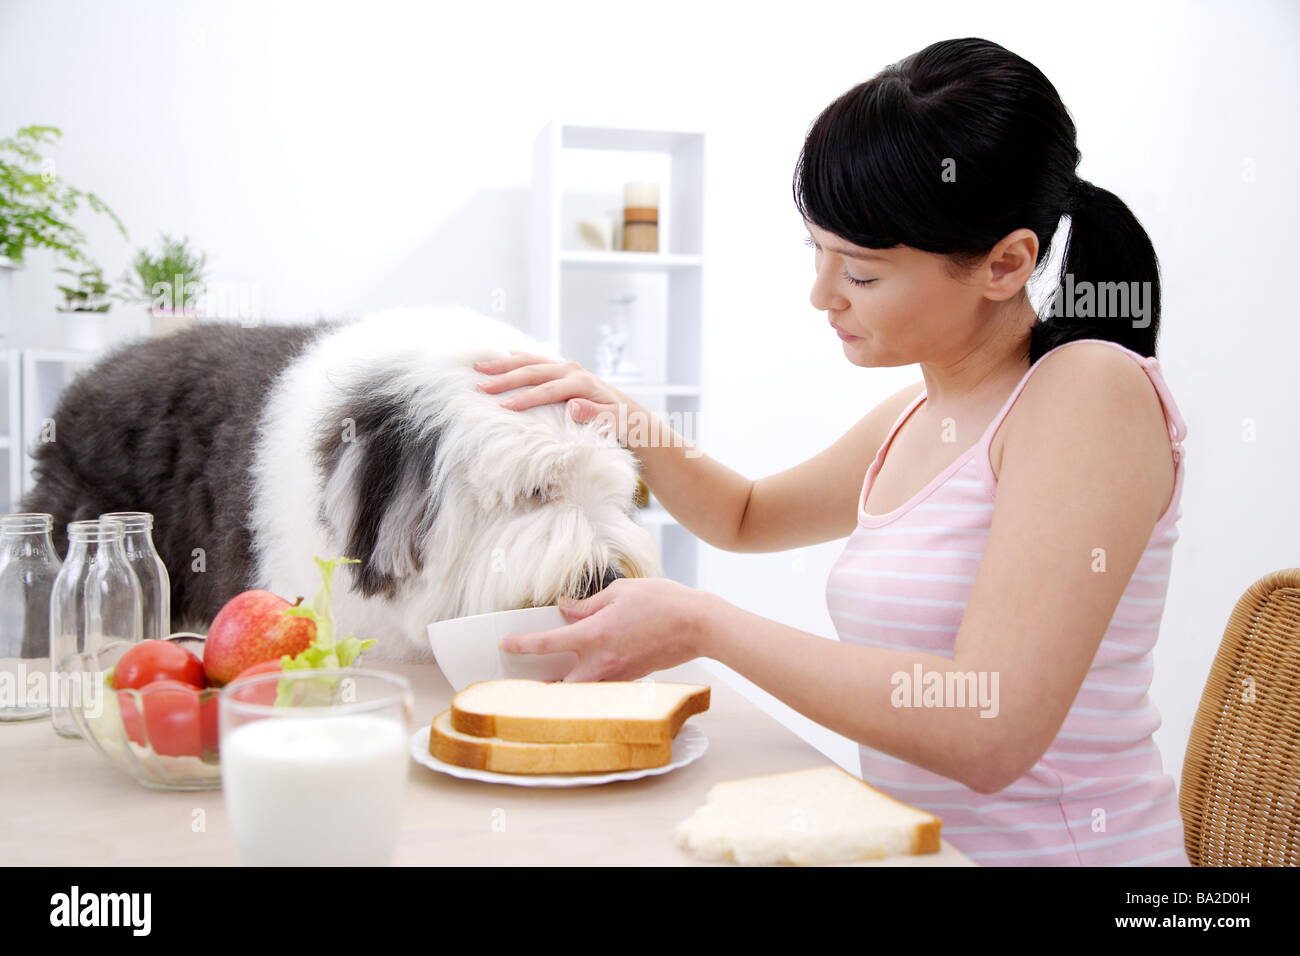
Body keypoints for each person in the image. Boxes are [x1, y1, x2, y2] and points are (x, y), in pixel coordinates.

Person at [474, 37, 1189, 867]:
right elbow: (744, 516)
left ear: (1006, 263)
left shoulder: (1087, 391)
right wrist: (621, 415)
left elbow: (986, 727)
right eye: (817, 252)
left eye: (860, 272)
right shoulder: (917, 415)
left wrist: (706, 623)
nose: (821, 296)